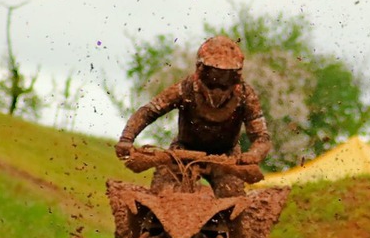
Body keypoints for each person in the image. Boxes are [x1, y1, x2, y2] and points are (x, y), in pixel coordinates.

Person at [115, 35, 272, 198]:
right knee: (161, 195)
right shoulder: (184, 89)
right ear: (200, 71)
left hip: (226, 157)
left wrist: (253, 155)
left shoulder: (246, 96)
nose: (218, 85)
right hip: (182, 152)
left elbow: (262, 137)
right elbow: (149, 111)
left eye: (225, 77)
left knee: (234, 201)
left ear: (237, 76)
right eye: (212, 76)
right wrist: (127, 138)